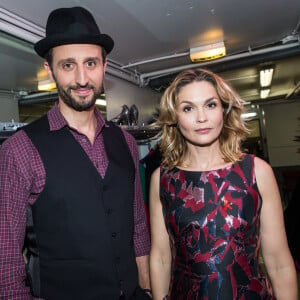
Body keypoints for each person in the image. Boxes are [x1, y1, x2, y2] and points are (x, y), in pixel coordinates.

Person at [0, 6, 151, 300]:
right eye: (68, 65)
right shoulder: (18, 150)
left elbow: (139, 230)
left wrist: (145, 289)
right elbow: (5, 263)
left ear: (104, 65)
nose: (82, 79)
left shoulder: (127, 142)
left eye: (91, 63)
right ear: (50, 69)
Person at [149, 68, 298, 299]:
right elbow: (160, 258)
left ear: (224, 110)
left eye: (210, 105)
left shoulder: (257, 171)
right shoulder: (163, 178)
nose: (201, 118)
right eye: (188, 108)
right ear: (175, 118)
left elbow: (279, 262)